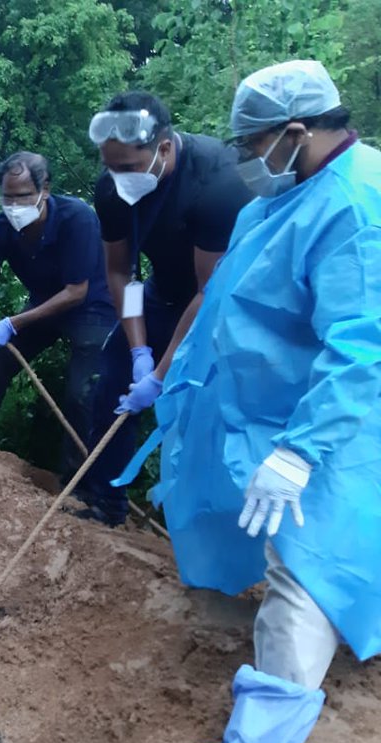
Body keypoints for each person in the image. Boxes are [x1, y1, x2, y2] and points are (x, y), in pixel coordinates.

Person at [142, 60, 381, 743]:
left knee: (303, 568)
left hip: (335, 422)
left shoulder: (356, 206)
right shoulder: (283, 197)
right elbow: (225, 301)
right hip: (272, 408)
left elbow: (362, 346)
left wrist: (301, 450)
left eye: (252, 146)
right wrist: (172, 377)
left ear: (296, 132)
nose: (246, 161)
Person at [78, 91, 253, 525]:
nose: (119, 178)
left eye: (130, 167)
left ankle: (197, 526)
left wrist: (158, 375)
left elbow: (208, 291)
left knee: (198, 409)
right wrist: (139, 352)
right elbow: (122, 273)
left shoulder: (217, 184)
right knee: (114, 379)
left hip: (220, 304)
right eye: (111, 167)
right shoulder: (113, 190)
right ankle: (107, 504)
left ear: (164, 147)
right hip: (159, 292)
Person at [0, 152, 115, 479]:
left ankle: (80, 487)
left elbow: (76, 291)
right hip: (44, 304)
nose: (14, 205)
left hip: (93, 307)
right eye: (7, 197)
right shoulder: (1, 227)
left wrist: (12, 323)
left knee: (81, 392)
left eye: (23, 196)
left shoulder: (77, 218)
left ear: (45, 189)